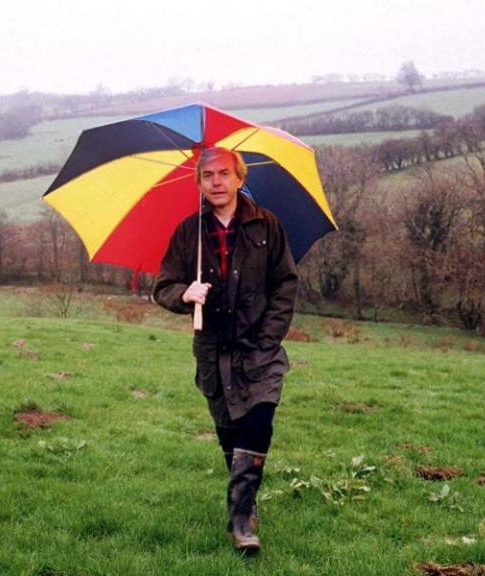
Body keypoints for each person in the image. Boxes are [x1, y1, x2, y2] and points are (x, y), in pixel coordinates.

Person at [153, 146, 298, 552]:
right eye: (208, 175)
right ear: (198, 182)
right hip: (213, 353)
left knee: (259, 421)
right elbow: (161, 288)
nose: (216, 182)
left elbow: (286, 285)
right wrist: (185, 293)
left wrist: (269, 338)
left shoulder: (267, 226)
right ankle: (246, 504)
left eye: (224, 174)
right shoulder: (188, 233)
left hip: (260, 350)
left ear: (239, 178)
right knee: (230, 433)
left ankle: (240, 522)